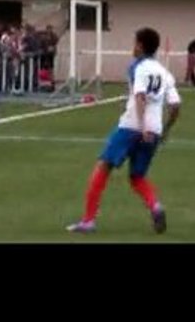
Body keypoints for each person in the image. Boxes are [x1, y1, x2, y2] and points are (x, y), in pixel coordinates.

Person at [67, 27, 182, 235]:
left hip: (132, 126)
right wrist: (164, 131)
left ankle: (88, 221)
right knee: (137, 176)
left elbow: (140, 97)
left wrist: (142, 126)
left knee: (103, 167)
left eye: (134, 43)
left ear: (139, 46)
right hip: (154, 130)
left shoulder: (138, 67)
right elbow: (175, 106)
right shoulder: (165, 73)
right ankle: (155, 206)